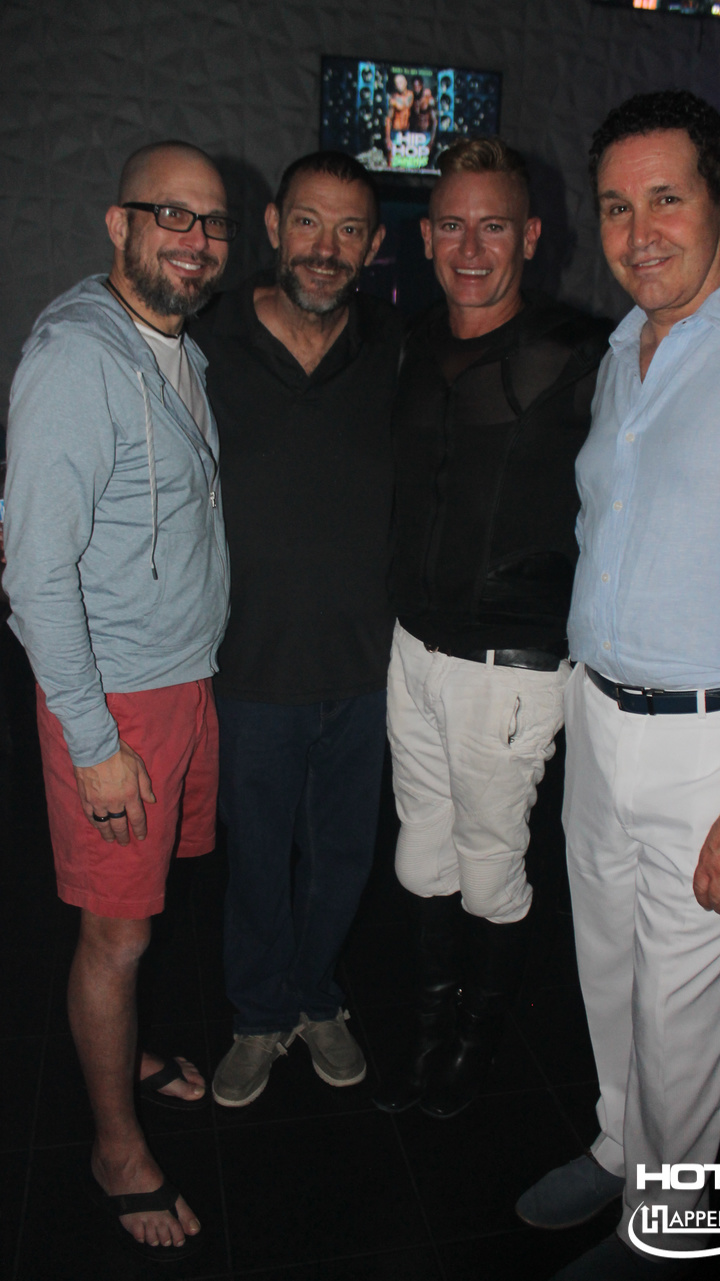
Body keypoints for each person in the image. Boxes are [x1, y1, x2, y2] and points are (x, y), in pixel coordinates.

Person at [515, 90, 720, 1280]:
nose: (637, 230)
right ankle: (620, 1146)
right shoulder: (623, 352)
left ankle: (669, 1227)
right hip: (600, 716)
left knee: (683, 1017)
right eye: (615, 206)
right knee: (605, 970)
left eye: (665, 198)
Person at [2, 141, 234, 1259]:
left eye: (212, 221)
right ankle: (112, 1145)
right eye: (169, 215)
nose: (195, 238)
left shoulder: (175, 344)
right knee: (115, 934)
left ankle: (127, 1053)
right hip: (117, 701)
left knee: (142, 912)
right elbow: (34, 575)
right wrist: (94, 741)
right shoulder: (76, 358)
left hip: (179, 679)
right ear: (118, 223)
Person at [375, 137, 611, 1120]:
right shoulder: (413, 339)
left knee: (488, 867)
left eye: (493, 226)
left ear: (531, 235)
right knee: (418, 857)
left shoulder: (586, 353)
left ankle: (474, 1043)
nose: (470, 247)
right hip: (411, 649)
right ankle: (431, 1032)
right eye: (452, 225)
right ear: (428, 236)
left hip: (509, 667)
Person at [190, 152, 402, 1108]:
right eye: (309, 223)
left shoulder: (395, 346)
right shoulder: (206, 340)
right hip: (248, 660)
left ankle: (316, 997)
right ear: (275, 225)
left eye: (349, 229)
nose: (326, 247)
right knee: (256, 860)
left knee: (343, 857)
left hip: (365, 667)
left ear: (374, 243)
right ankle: (257, 1012)